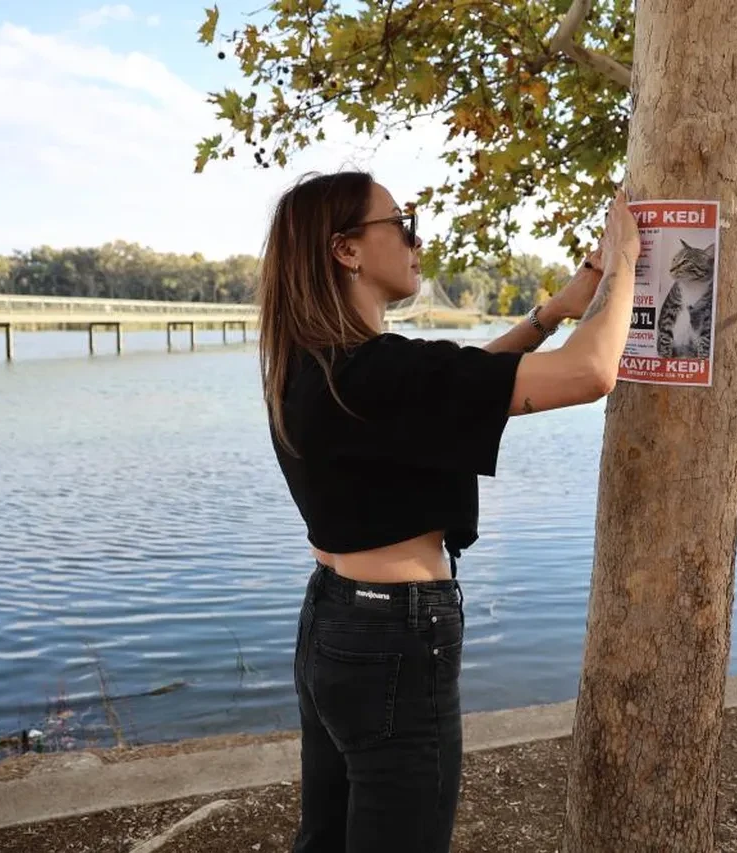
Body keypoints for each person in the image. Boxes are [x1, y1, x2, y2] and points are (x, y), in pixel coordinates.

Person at [258, 170, 638, 853]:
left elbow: (453, 388)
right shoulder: (375, 370)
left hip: (333, 622)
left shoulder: (314, 366)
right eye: (400, 224)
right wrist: (629, 263)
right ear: (345, 249)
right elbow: (591, 371)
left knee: (326, 839)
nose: (416, 240)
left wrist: (554, 312)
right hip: (393, 638)